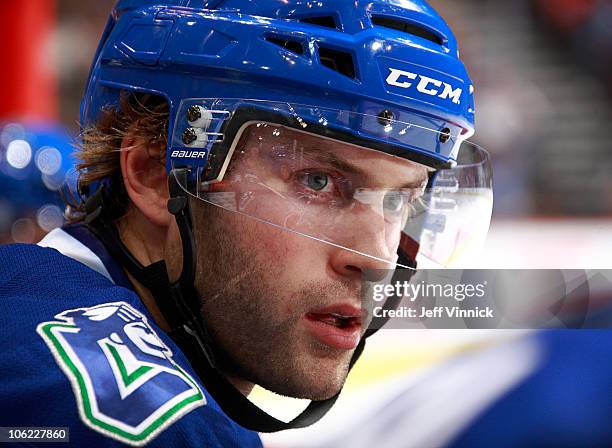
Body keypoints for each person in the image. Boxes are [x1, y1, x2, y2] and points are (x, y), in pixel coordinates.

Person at [0, 0, 492, 446]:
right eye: (318, 181)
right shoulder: (145, 420)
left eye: (397, 201)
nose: (376, 260)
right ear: (155, 174)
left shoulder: (26, 302)